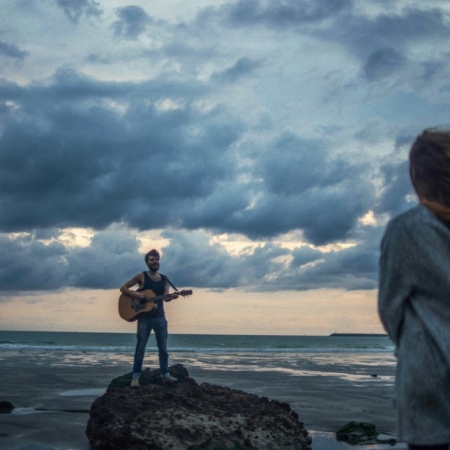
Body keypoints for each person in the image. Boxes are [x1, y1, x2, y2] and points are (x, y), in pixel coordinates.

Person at [378, 129, 450, 450]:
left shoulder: (408, 229)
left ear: (417, 176)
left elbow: (390, 308)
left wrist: (407, 345)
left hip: (429, 372)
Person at [120, 249, 178, 387]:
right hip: (144, 317)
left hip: (160, 317)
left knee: (163, 348)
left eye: (157, 259)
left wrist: (172, 297)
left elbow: (166, 297)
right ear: (147, 262)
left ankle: (165, 375)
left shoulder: (165, 279)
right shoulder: (141, 276)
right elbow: (123, 288)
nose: (155, 262)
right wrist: (135, 295)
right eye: (152, 259)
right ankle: (135, 377)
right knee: (140, 348)